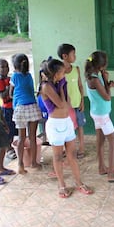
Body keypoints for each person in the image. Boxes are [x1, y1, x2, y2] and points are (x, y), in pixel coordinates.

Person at [40, 59, 93, 198]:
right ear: (56, 74)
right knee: (57, 157)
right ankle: (62, 185)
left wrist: (63, 86)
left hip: (66, 122)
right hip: (55, 125)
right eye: (63, 72)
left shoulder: (60, 83)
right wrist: (63, 88)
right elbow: (61, 104)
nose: (65, 74)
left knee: (72, 155)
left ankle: (79, 182)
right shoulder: (46, 87)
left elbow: (68, 103)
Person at [85, 51, 114, 182]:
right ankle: (111, 174)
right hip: (102, 115)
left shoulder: (90, 76)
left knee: (100, 140)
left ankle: (102, 167)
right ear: (102, 66)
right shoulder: (96, 79)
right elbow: (107, 97)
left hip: (96, 112)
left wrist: (106, 82)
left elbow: (102, 93)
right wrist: (106, 81)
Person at [9, 53, 42, 174]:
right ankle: (34, 162)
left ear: (15, 65)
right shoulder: (29, 76)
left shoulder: (14, 77)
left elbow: (10, 94)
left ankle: (20, 165)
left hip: (20, 108)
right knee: (32, 136)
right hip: (32, 106)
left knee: (21, 138)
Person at [58, 43, 86, 159]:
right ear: (65, 56)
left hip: (77, 103)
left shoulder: (76, 69)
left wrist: (82, 101)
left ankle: (81, 148)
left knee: (80, 126)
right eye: (73, 54)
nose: (75, 56)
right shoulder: (60, 72)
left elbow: (80, 86)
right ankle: (67, 148)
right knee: (66, 128)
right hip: (66, 106)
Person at [0, 58, 17, 160]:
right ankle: (9, 149)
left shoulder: (10, 78)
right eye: (2, 67)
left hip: (14, 107)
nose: (5, 69)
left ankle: (13, 146)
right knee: (8, 130)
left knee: (14, 128)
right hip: (7, 108)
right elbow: (3, 95)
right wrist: (9, 87)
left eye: (7, 66)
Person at [37, 60, 50, 146]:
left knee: (48, 123)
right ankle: (45, 139)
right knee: (45, 122)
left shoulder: (49, 84)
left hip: (48, 107)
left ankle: (48, 138)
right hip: (43, 107)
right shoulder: (41, 85)